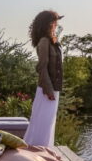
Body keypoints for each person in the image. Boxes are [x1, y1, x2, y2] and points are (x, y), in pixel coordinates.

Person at [23, 10, 63, 147]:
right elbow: (42, 67)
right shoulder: (44, 42)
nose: (56, 24)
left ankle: (45, 151)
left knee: (48, 124)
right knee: (43, 124)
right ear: (47, 24)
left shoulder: (52, 41)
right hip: (47, 90)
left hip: (54, 89)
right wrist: (48, 90)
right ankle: (39, 153)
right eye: (54, 21)